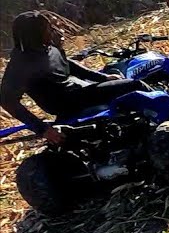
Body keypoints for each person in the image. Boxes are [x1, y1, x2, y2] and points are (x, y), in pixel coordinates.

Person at [1, 11, 150, 143]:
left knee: (117, 75)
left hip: (78, 89)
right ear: (34, 34)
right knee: (135, 85)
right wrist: (42, 129)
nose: (54, 31)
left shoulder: (46, 47)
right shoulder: (21, 64)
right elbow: (7, 100)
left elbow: (67, 64)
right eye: (48, 29)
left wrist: (103, 78)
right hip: (69, 101)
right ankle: (168, 114)